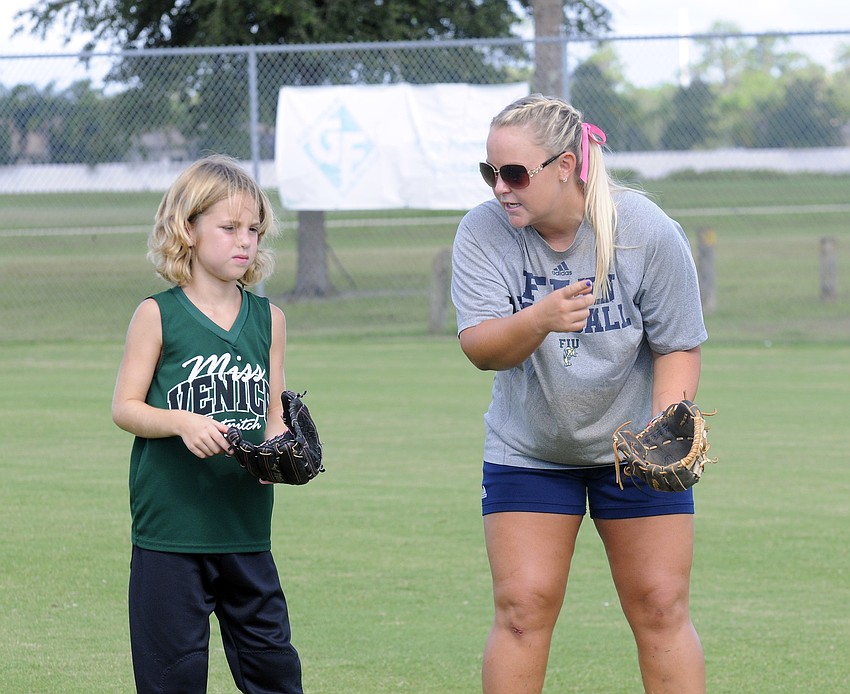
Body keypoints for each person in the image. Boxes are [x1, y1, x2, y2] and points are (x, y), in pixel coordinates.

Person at [451, 94, 708, 694]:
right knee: (522, 608)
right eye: (489, 172)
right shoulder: (483, 232)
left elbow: (678, 342)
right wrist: (538, 319)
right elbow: (482, 348)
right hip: (531, 449)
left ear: (565, 166)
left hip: (634, 451)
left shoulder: (644, 230)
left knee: (662, 605)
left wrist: (666, 425)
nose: (499, 188)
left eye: (514, 173)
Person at [111, 154, 303, 693]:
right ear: (187, 229)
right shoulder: (158, 314)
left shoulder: (269, 320)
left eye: (253, 229)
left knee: (274, 673)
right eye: (228, 227)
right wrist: (179, 422)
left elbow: (271, 414)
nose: (245, 241)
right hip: (170, 532)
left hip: (244, 529)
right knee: (172, 679)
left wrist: (278, 452)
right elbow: (125, 406)